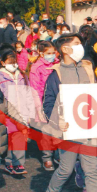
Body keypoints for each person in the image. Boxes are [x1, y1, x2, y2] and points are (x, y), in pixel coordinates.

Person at [41, 33, 97, 192]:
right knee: (65, 169)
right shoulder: (55, 74)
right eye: (76, 44)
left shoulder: (87, 69)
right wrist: (58, 122)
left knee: (91, 170)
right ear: (64, 49)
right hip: (69, 132)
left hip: (89, 128)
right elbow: (48, 103)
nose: (81, 47)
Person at [0, 48, 41, 175]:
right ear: (3, 63)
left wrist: (31, 113)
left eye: (14, 61)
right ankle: (9, 162)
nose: (13, 64)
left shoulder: (22, 76)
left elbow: (28, 96)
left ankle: (18, 163)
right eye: (10, 62)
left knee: (20, 137)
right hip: (8, 114)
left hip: (22, 113)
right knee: (10, 138)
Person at [29, 40, 59, 171]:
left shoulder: (58, 64)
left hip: (57, 100)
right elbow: (34, 89)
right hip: (42, 102)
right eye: (48, 53)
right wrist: (39, 108)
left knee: (58, 129)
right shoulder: (36, 68)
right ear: (41, 53)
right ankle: (47, 157)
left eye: (53, 52)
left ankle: (58, 154)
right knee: (46, 131)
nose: (52, 55)